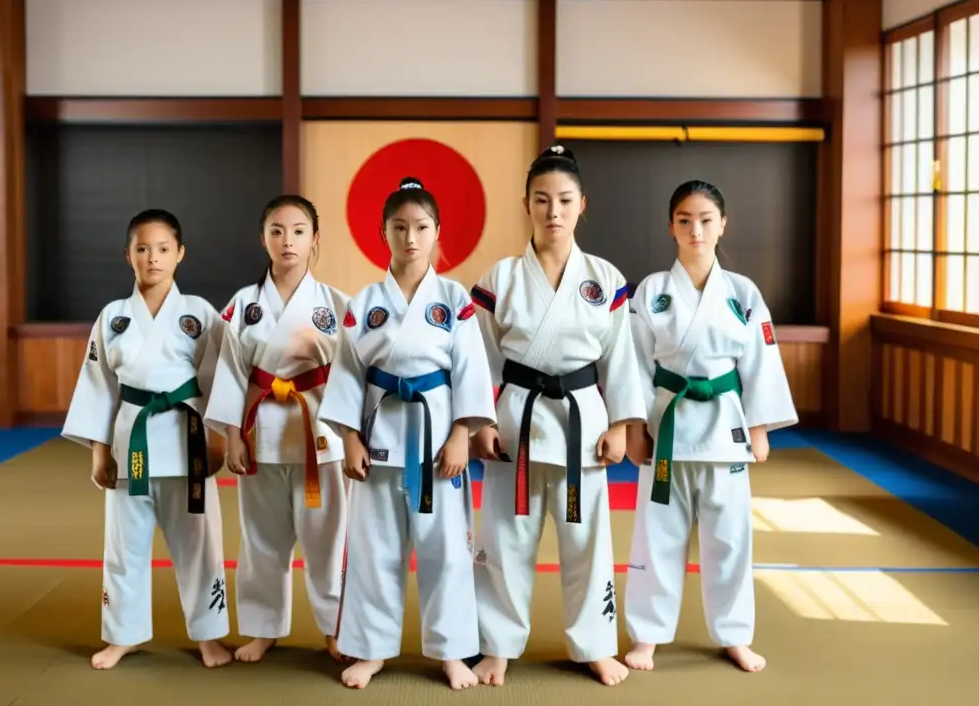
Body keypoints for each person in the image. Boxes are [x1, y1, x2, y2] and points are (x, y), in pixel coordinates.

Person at [469, 145, 646, 688]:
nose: (554, 211)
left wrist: (621, 425)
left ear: (581, 204)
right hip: (515, 423)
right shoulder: (500, 277)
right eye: (542, 200)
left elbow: (621, 358)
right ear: (526, 204)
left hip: (582, 426)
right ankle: (496, 645)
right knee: (503, 538)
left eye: (565, 200)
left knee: (588, 543)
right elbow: (478, 360)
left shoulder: (604, 277)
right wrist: (479, 423)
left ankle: (594, 644)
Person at [317, 177, 497, 691]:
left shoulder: (454, 298)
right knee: (374, 550)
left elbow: (470, 370)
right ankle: (370, 650)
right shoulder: (365, 301)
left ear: (438, 231)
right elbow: (348, 372)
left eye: (421, 228)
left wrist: (464, 431)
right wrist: (349, 437)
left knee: (446, 551)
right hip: (378, 440)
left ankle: (453, 652)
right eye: (400, 228)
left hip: (439, 442)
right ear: (384, 233)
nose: (411, 238)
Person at [622, 179, 798, 674]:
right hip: (667, 425)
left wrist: (760, 426)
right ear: (671, 227)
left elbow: (761, 361)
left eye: (705, 219)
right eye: (684, 220)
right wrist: (635, 425)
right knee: (656, 537)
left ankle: (734, 634)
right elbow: (634, 362)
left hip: (726, 426)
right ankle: (647, 635)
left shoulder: (743, 292)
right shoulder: (652, 291)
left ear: (722, 225)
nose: (695, 229)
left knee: (731, 539)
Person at [61, 209, 233, 671]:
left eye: (162, 249)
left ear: (179, 254)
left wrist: (218, 440)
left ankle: (209, 637)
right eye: (142, 249)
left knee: (200, 547)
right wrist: (98, 450)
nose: (152, 258)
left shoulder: (199, 313)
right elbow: (98, 386)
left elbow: (221, 381)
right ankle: (124, 635)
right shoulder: (113, 317)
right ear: (128, 256)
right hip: (130, 445)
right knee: (124, 547)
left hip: (188, 443)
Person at [203, 194, 348, 664]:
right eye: (278, 231)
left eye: (299, 231)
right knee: (261, 537)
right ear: (263, 238)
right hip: (261, 430)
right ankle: (264, 627)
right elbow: (227, 372)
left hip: (318, 433)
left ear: (315, 240)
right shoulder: (242, 305)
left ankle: (335, 627)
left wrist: (322, 352)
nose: (288, 241)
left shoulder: (336, 304)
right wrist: (232, 435)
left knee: (328, 539)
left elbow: (353, 375)